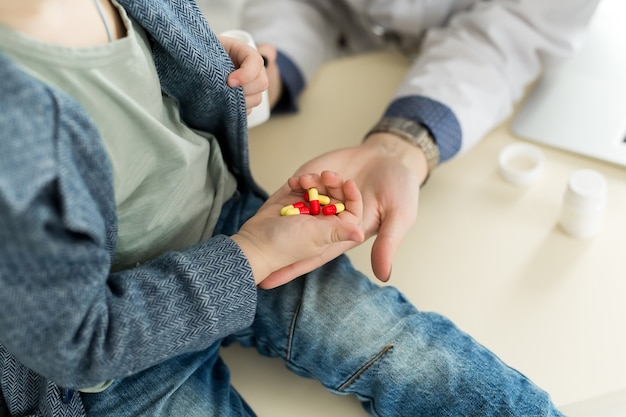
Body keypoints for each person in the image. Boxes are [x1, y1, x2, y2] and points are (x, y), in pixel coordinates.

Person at [0, 1, 567, 416]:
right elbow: (81, 342)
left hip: (226, 217)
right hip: (118, 367)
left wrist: (211, 67)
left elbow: (132, 101)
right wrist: (252, 254)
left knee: (412, 352)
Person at [240, 0, 602, 281]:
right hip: (351, 48)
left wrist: (402, 142)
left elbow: (515, 30)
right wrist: (270, 69)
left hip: (483, 69)